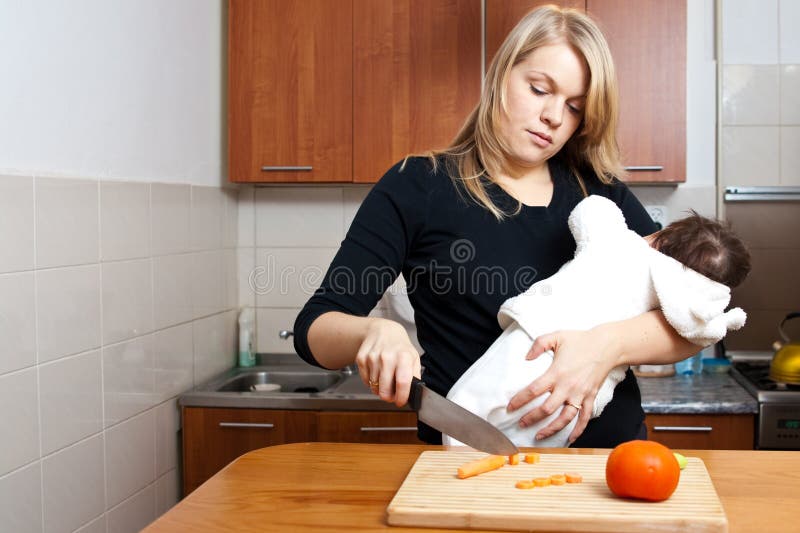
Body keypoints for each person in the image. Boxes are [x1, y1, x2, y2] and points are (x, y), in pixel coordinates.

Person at [294, 5, 706, 447]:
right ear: (500, 76)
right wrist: (373, 331)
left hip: (611, 465)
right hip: (472, 464)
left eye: (574, 107)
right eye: (539, 89)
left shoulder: (602, 196)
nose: (553, 116)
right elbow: (314, 328)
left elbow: (696, 316)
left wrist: (606, 347)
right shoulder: (417, 187)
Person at [444, 195, 751, 448]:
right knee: (533, 446)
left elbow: (591, 209)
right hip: (582, 396)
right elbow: (703, 329)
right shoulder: (682, 297)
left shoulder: (619, 245)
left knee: (467, 411)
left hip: (534, 344)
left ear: (661, 238)